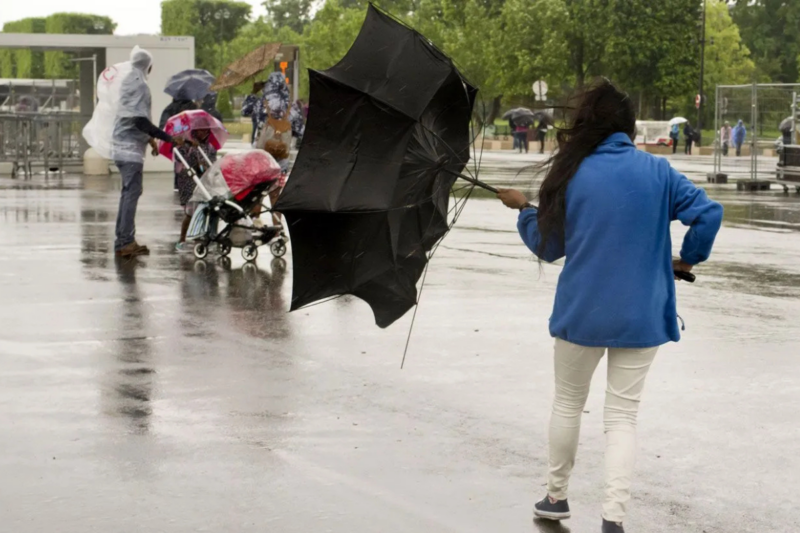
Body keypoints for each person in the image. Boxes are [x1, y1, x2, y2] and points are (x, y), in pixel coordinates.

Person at [495, 79, 723, 533]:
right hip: (642, 314)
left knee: (567, 404)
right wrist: (687, 258)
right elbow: (709, 213)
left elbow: (548, 246)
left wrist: (523, 210)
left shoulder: (570, 173)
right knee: (622, 416)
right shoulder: (658, 172)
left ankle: (556, 498)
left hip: (582, 311)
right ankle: (613, 519)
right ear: (628, 126)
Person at [111, 46, 185, 258]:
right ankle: (125, 242)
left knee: (128, 194)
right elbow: (139, 120)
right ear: (147, 66)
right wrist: (168, 138)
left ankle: (123, 240)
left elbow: (131, 119)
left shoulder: (127, 83)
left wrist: (150, 140)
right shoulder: (140, 86)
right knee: (131, 194)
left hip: (122, 146)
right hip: (130, 151)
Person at [175, 129, 216, 252]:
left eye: (204, 131)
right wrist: (186, 145)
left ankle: (203, 236)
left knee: (207, 210)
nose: (202, 133)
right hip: (189, 182)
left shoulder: (210, 148)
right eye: (199, 131)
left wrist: (203, 165)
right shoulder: (186, 145)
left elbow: (209, 165)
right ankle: (182, 239)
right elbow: (178, 157)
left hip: (204, 182)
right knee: (190, 211)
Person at [242, 80, 266, 145]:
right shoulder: (254, 98)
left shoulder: (262, 98)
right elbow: (245, 111)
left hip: (263, 122)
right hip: (258, 122)